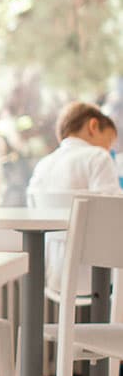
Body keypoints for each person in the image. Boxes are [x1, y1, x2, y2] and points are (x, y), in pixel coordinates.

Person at [26, 100, 121, 297]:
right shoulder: (97, 157)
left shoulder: (44, 165)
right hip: (97, 276)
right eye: (109, 142)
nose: (109, 151)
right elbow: (113, 214)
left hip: (54, 275)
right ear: (93, 126)